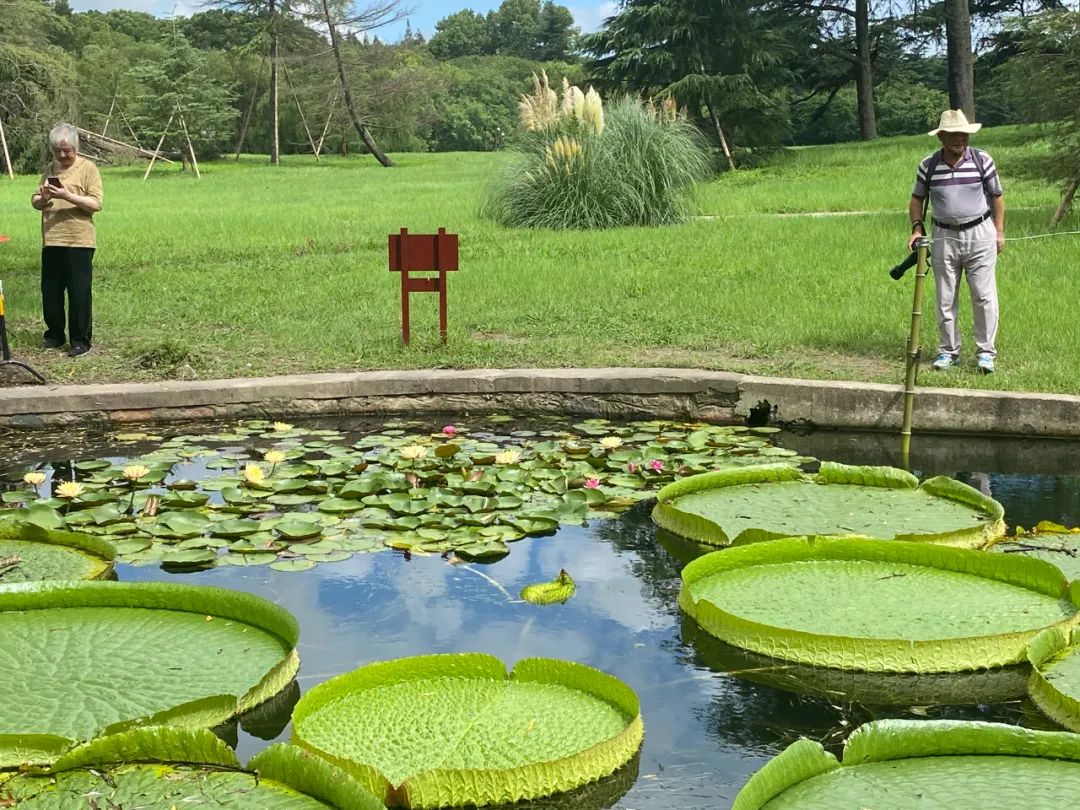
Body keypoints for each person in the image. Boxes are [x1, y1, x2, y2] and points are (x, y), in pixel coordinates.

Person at [907, 109, 1005, 374]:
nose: (959, 139)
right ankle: (949, 351)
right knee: (945, 297)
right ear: (941, 137)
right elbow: (917, 200)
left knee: (984, 296)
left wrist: (999, 232)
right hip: (943, 235)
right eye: (953, 134)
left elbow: (996, 197)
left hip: (980, 233)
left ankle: (986, 353)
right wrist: (917, 229)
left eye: (963, 134)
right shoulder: (928, 165)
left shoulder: (982, 160)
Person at [30, 122, 103, 357]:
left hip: (78, 241)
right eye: (57, 151)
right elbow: (34, 199)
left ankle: (80, 341)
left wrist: (67, 195)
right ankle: (54, 335)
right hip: (52, 239)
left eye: (66, 150)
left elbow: (95, 204)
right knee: (50, 291)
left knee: (79, 292)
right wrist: (42, 199)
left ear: (76, 147)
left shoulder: (88, 168)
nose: (62, 155)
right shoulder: (51, 168)